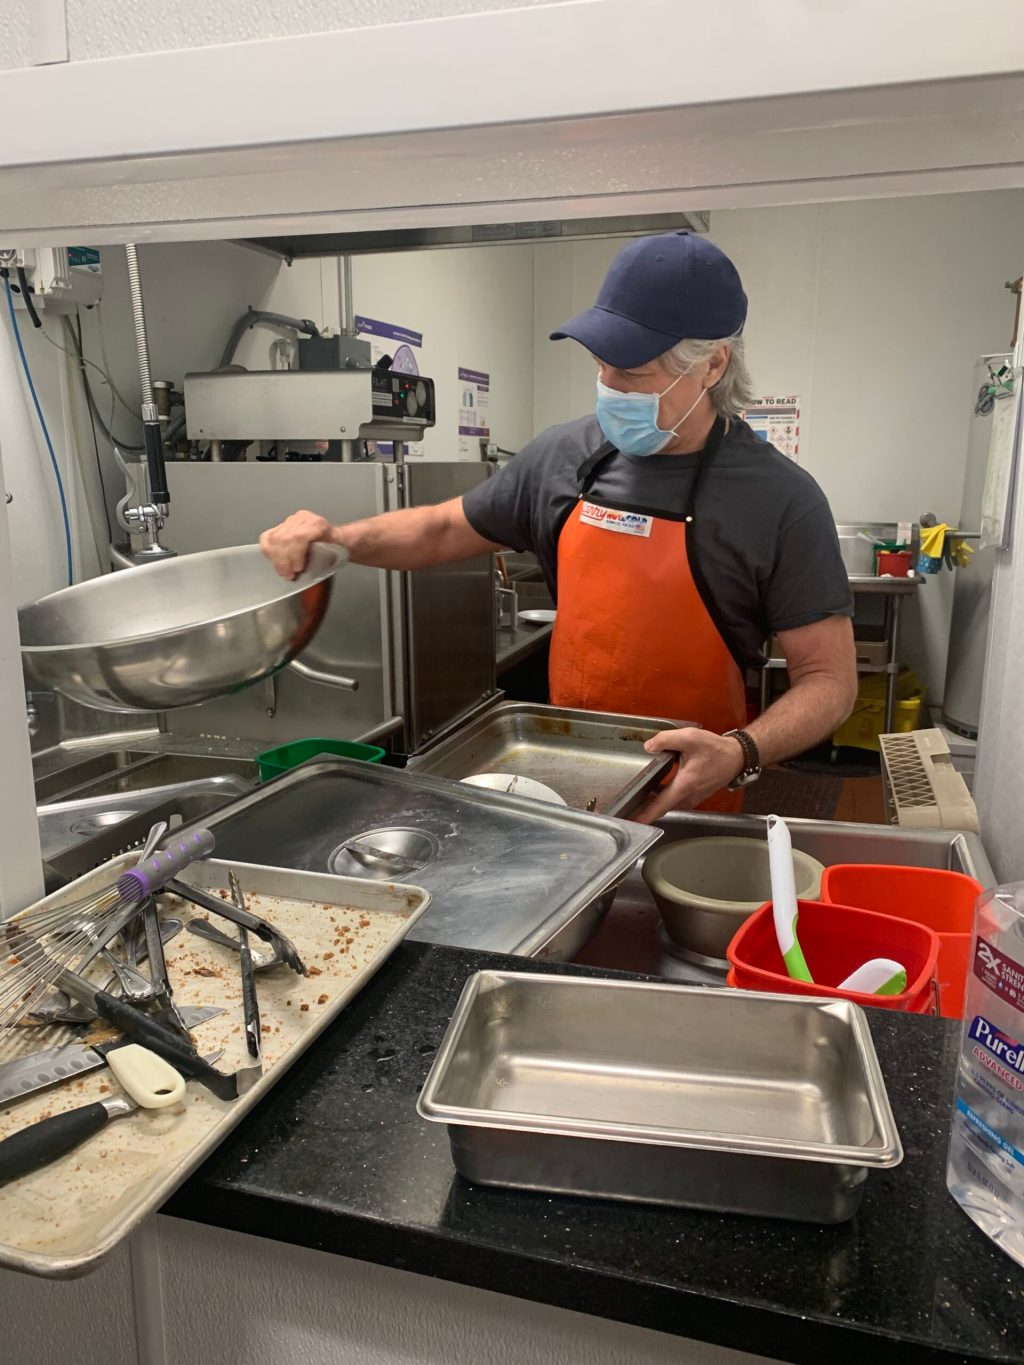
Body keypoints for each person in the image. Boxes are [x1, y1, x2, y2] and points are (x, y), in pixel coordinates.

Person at [260, 232, 857, 820]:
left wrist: (740, 752)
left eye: (633, 372)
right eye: (601, 365)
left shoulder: (782, 500)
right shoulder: (562, 456)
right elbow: (444, 528)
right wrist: (340, 540)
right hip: (568, 777)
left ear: (712, 365)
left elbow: (828, 680)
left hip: (696, 792)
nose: (609, 386)